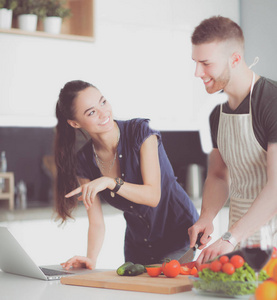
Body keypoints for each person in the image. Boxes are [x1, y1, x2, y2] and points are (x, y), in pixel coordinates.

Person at [54, 80, 199, 270]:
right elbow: (96, 222)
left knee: (164, 288)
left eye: (103, 102)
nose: (103, 113)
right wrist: (91, 258)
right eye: (91, 112)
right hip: (138, 244)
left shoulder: (140, 132)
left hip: (177, 235)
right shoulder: (84, 160)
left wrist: (111, 182)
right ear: (75, 123)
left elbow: (153, 196)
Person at [188, 15, 277, 267]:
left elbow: (276, 187)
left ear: (235, 59)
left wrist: (230, 236)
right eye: (195, 62)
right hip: (239, 244)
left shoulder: (272, 102)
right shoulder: (217, 115)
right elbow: (218, 174)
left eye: (205, 63)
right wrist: (207, 216)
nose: (197, 73)